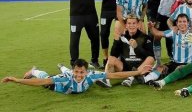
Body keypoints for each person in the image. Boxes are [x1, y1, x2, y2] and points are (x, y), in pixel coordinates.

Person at [1, 59, 151, 94]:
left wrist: (137, 72)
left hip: (68, 75)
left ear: (86, 72)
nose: (79, 75)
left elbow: (115, 74)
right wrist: (17, 80)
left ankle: (62, 66)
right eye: (77, 72)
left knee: (61, 72)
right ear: (74, 71)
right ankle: (33, 70)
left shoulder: (92, 75)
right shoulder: (65, 78)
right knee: (46, 79)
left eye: (81, 72)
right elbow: (41, 81)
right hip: (58, 86)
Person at [104, 14, 160, 87]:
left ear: (137, 25)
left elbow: (151, 55)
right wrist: (116, 41)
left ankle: (131, 77)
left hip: (140, 67)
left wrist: (137, 47)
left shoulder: (145, 37)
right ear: (126, 25)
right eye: (129, 23)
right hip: (125, 67)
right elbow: (114, 55)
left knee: (151, 58)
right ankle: (106, 80)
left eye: (134, 23)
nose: (131, 25)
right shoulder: (122, 37)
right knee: (111, 58)